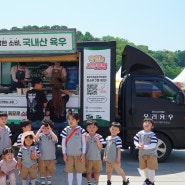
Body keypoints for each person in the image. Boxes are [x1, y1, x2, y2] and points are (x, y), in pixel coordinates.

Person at [60, 112, 86, 185]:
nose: (70, 121)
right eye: (69, 119)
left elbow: (84, 143)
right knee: (70, 171)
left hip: (79, 155)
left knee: (79, 171)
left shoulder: (81, 130)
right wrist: (64, 154)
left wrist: (83, 154)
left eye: (73, 119)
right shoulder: (66, 130)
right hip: (69, 155)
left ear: (77, 120)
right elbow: (63, 143)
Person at [133, 118, 158, 185]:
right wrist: (138, 145)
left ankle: (152, 181)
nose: (147, 124)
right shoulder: (139, 133)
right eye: (145, 122)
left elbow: (153, 145)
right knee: (144, 168)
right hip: (142, 154)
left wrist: (144, 147)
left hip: (151, 155)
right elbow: (135, 140)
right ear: (143, 124)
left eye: (149, 123)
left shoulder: (153, 135)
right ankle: (147, 179)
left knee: (151, 168)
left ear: (152, 126)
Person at [35, 119, 58, 185]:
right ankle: (43, 183)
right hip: (41, 158)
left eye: (47, 128)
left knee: (49, 171)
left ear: (51, 129)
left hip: (51, 158)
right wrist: (39, 130)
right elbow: (35, 139)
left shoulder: (52, 135)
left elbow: (55, 139)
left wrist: (50, 131)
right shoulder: (40, 135)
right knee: (42, 171)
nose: (45, 129)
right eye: (44, 128)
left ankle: (49, 182)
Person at [85, 119, 105, 185]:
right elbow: (82, 148)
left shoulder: (99, 136)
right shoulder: (85, 136)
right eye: (90, 127)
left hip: (97, 159)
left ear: (97, 128)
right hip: (88, 158)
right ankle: (89, 183)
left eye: (94, 127)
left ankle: (96, 183)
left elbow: (100, 147)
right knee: (88, 172)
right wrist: (85, 141)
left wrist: (98, 141)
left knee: (96, 172)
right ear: (87, 128)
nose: (92, 129)